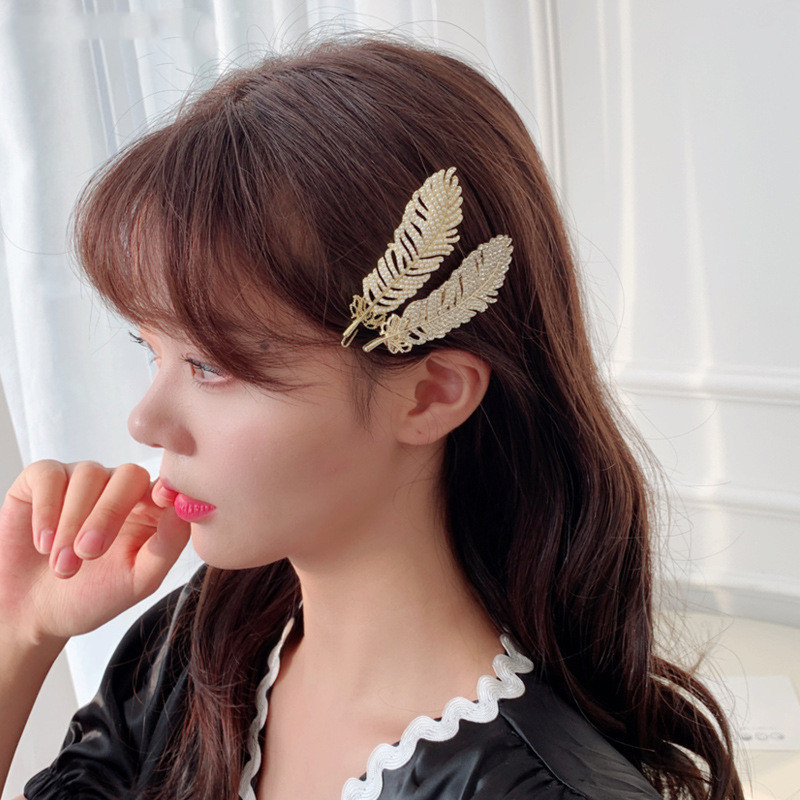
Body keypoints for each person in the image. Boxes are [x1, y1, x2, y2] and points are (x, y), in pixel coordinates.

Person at [0, 28, 744, 800]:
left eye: (212, 364)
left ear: (430, 394)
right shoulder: (195, 650)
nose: (145, 421)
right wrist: (20, 629)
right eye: (151, 350)